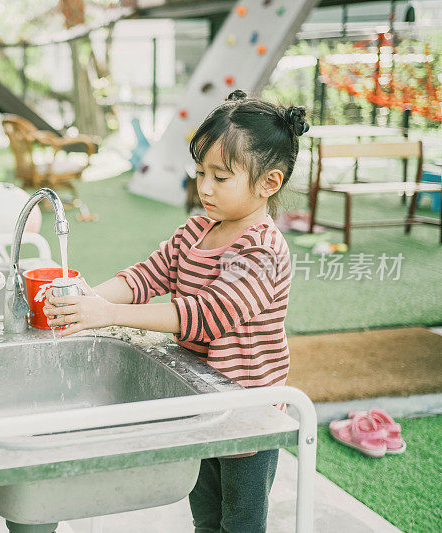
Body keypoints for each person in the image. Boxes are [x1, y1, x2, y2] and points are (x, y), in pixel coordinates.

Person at [43, 90, 309, 532]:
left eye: (221, 177)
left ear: (269, 183)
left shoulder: (261, 248)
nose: (204, 187)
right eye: (200, 172)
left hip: (247, 412)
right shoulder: (197, 229)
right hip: (200, 403)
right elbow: (146, 276)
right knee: (204, 519)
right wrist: (85, 298)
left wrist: (106, 313)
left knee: (240, 524)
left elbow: (205, 316)